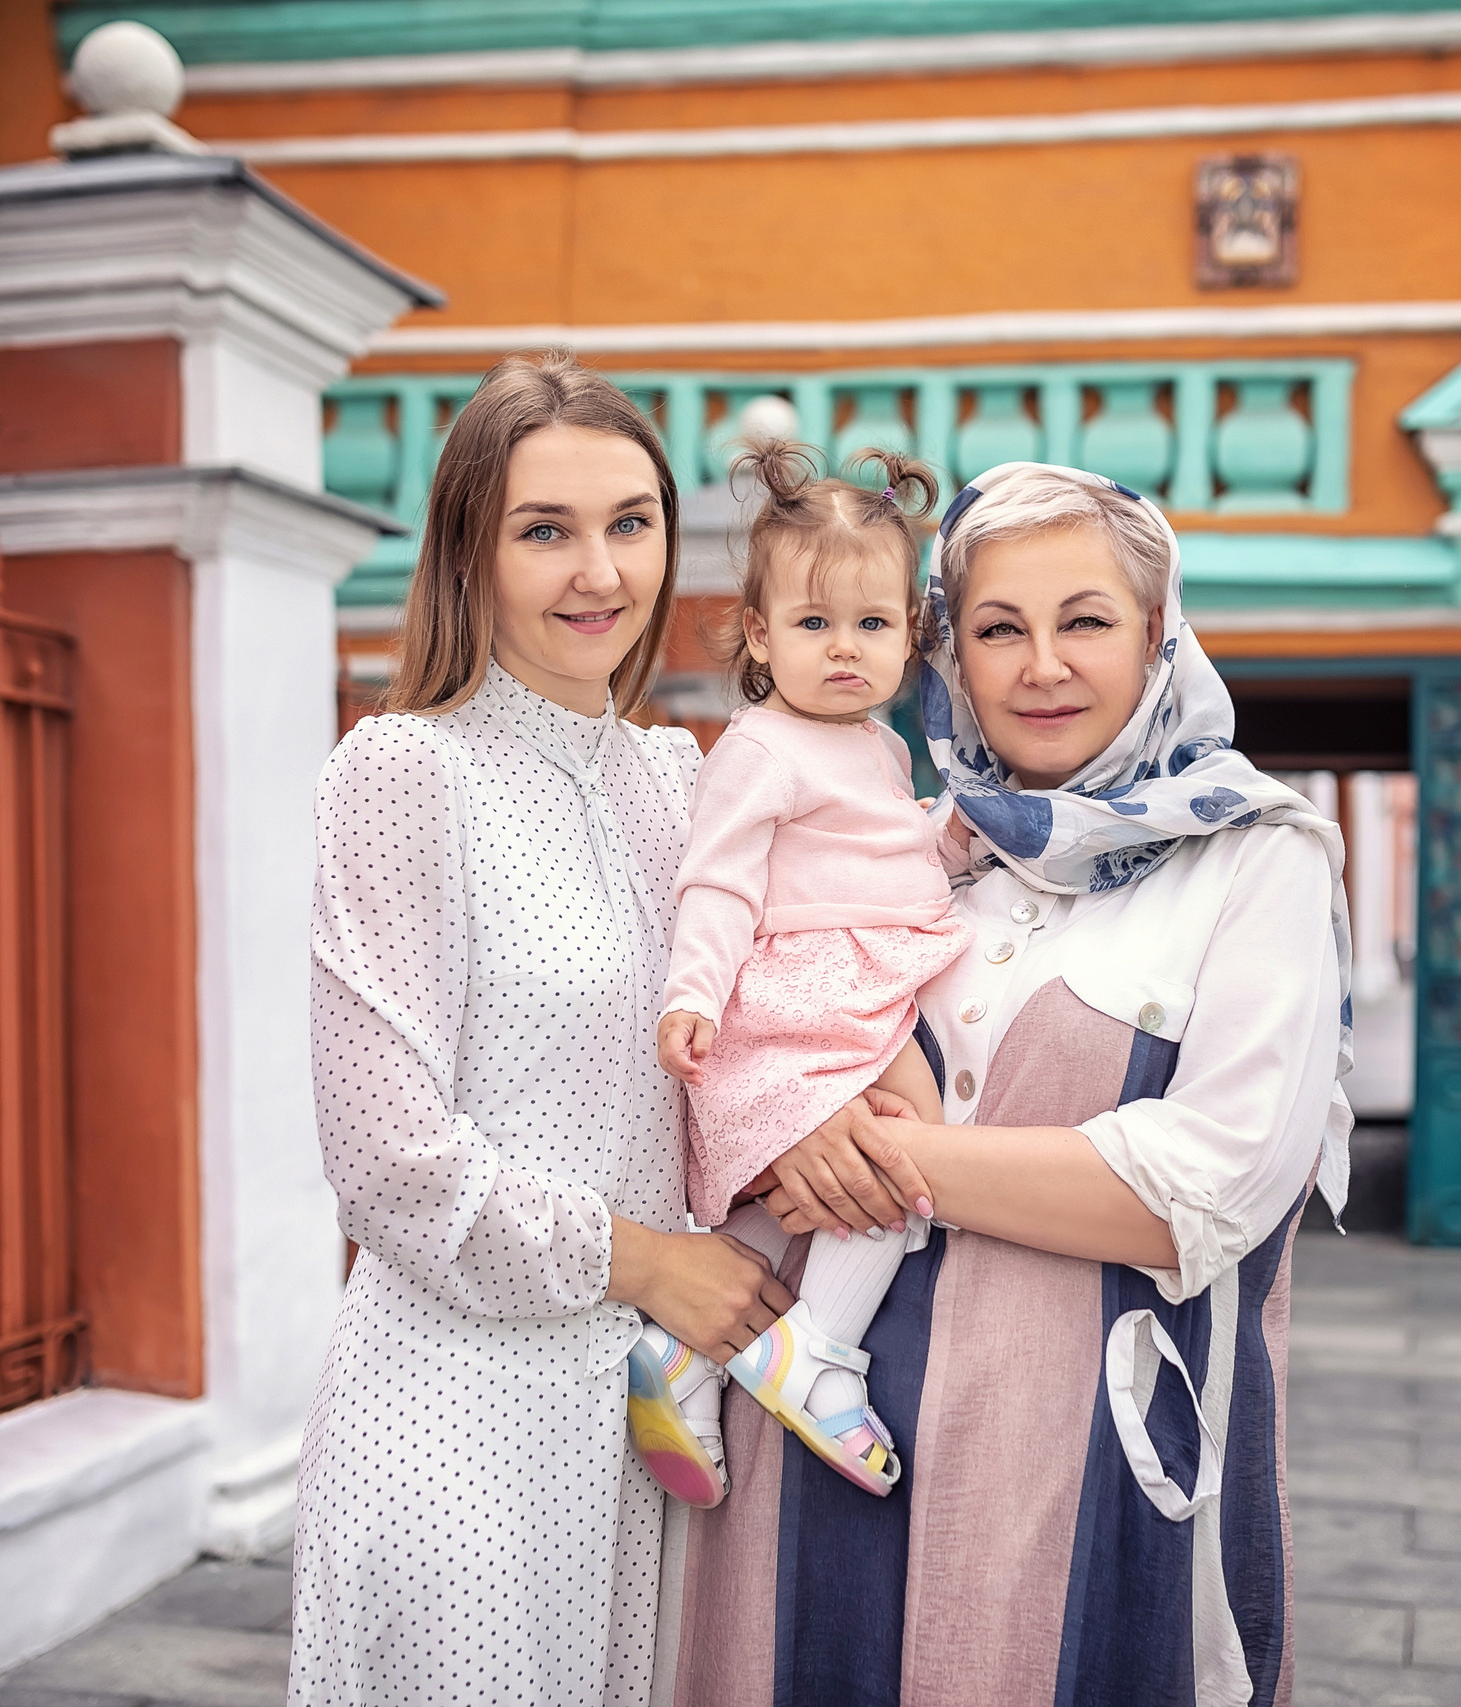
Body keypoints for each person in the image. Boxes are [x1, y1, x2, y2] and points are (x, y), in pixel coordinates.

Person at [668, 462, 1354, 1707]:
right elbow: (739, 1037)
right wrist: (780, 1116)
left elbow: (1210, 1186)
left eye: (1084, 620)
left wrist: (873, 1155)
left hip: (1081, 1467)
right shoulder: (918, 845)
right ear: (949, 652)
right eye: (996, 629)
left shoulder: (1254, 860)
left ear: (1155, 631)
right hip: (813, 1456)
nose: (1042, 666)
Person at [289, 353, 794, 1707]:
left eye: (631, 522)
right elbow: (389, 1165)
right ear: (469, 551)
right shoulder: (406, 770)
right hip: (455, 1423)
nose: (600, 573)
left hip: (643, 1429)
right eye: (545, 531)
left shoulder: (678, 782)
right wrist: (654, 1263)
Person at [630, 439, 968, 1506]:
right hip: (804, 994)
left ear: (908, 635)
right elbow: (718, 880)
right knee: (905, 1165)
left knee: (798, 1198)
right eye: (814, 624)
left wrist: (948, 836)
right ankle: (817, 1355)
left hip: (856, 979)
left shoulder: (878, 747)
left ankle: (687, 1360)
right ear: (760, 634)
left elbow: (877, 847)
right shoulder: (762, 748)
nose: (845, 649)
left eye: (872, 625)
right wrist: (692, 993)